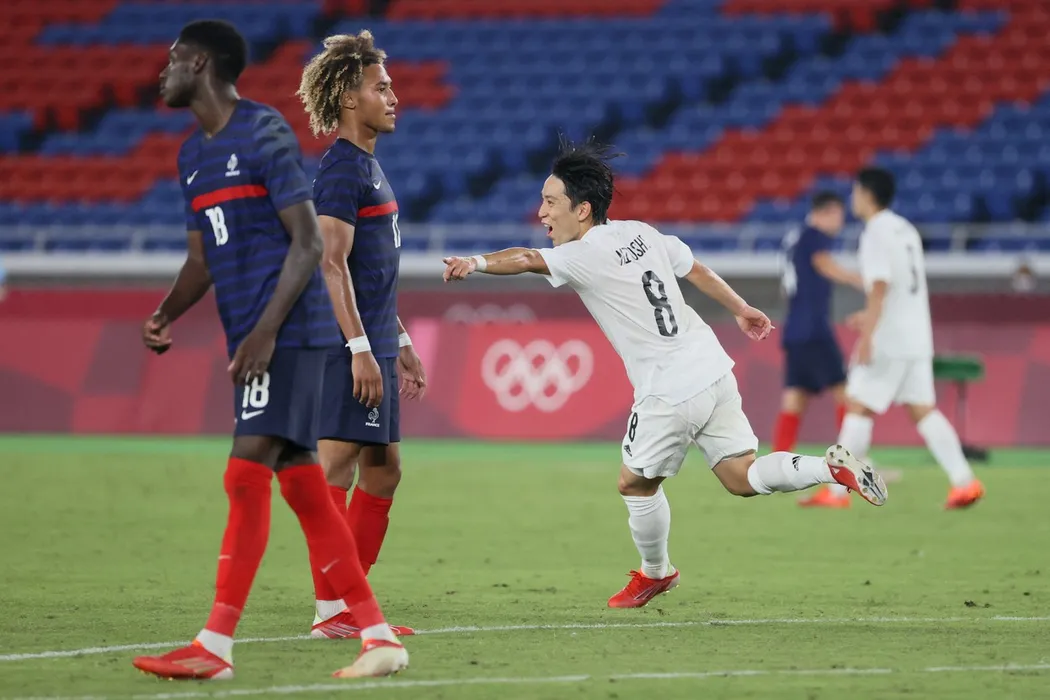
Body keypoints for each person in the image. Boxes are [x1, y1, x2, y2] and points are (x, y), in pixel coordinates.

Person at [442, 139, 887, 609]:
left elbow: (527, 258)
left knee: (634, 483)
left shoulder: (583, 254)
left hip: (669, 389)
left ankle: (657, 573)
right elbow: (695, 269)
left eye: (551, 202)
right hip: (712, 368)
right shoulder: (642, 232)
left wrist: (476, 263)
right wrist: (741, 308)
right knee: (741, 476)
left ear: (583, 209)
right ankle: (829, 469)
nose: (542, 213)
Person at [132, 20, 408, 680]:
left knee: (250, 473)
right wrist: (167, 312)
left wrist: (269, 332)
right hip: (262, 332)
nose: (163, 72)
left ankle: (217, 645)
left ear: (201, 64)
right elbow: (202, 257)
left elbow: (312, 245)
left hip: (289, 330)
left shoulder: (262, 132)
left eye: (174, 60)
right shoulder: (191, 157)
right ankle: (368, 629)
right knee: (306, 482)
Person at [297, 31, 425, 640]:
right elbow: (331, 263)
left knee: (383, 470)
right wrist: (359, 349)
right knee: (336, 467)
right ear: (350, 98)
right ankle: (332, 611)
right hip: (344, 345)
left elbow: (372, 273)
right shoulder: (342, 170)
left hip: (372, 339)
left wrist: (399, 339)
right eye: (382, 87)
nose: (393, 97)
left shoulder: (369, 167)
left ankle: (349, 601)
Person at [833, 168, 984, 510]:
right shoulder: (906, 229)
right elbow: (901, 287)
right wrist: (869, 315)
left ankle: (837, 492)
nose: (853, 198)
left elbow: (880, 285)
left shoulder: (875, 231)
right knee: (923, 410)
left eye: (855, 191)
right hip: (916, 335)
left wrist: (868, 335)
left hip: (889, 338)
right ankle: (965, 481)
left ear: (867, 194)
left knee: (858, 405)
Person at [769, 191, 864, 508]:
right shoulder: (813, 236)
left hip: (796, 328)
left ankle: (776, 465)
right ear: (828, 211)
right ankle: (853, 461)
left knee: (795, 397)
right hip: (814, 328)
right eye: (839, 215)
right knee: (845, 395)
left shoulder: (794, 237)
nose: (840, 222)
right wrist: (856, 279)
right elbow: (822, 263)